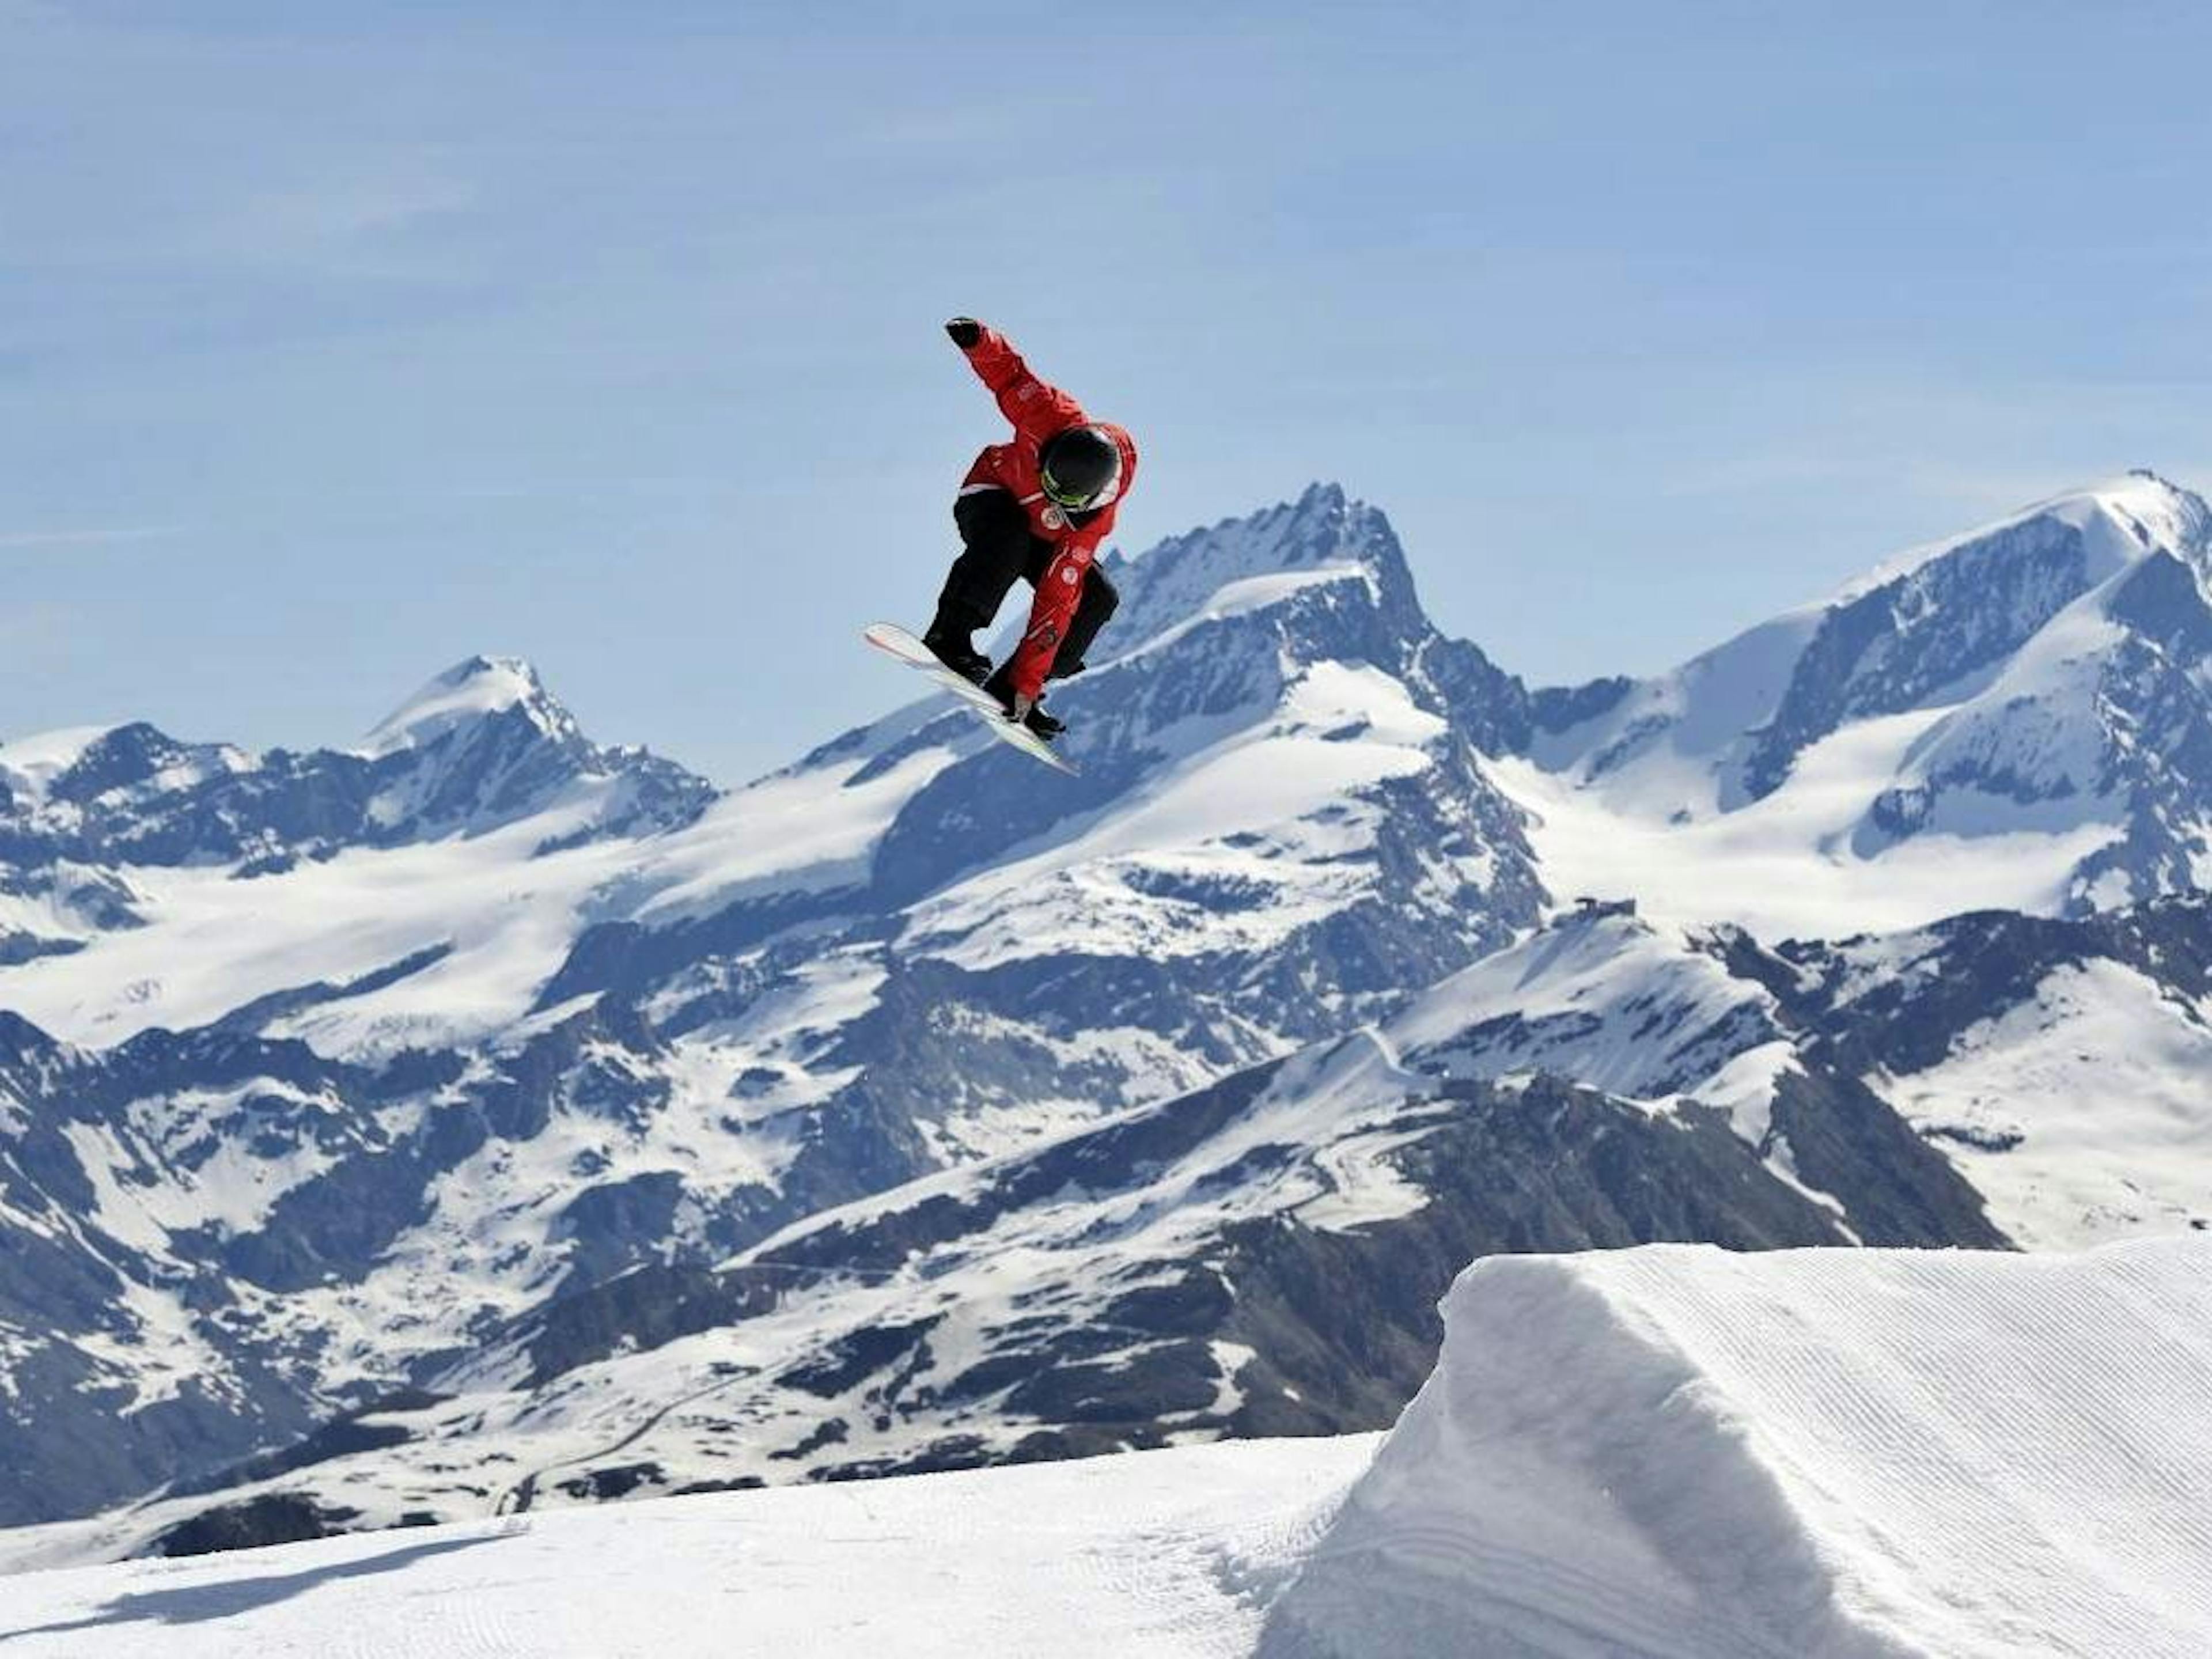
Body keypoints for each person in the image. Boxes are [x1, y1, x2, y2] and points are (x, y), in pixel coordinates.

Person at [922, 317, 1138, 740]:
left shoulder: (1090, 526)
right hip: (992, 495)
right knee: (1010, 538)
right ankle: (951, 635)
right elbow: (1010, 376)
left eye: (1061, 499)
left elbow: (1057, 600)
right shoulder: (1050, 414)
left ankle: (1014, 689)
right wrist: (979, 341)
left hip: (1046, 539)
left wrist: (1026, 683)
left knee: (1096, 599)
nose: (1049, 497)